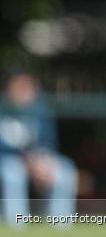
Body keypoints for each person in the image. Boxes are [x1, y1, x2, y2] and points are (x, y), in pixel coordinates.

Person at [0, 72, 77, 226]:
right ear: (8, 89)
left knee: (65, 171)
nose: (24, 92)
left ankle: (60, 225)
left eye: (27, 88)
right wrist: (27, 161)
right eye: (19, 87)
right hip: (8, 161)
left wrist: (42, 163)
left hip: (36, 160)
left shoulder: (40, 111)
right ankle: (16, 225)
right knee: (13, 173)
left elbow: (48, 144)